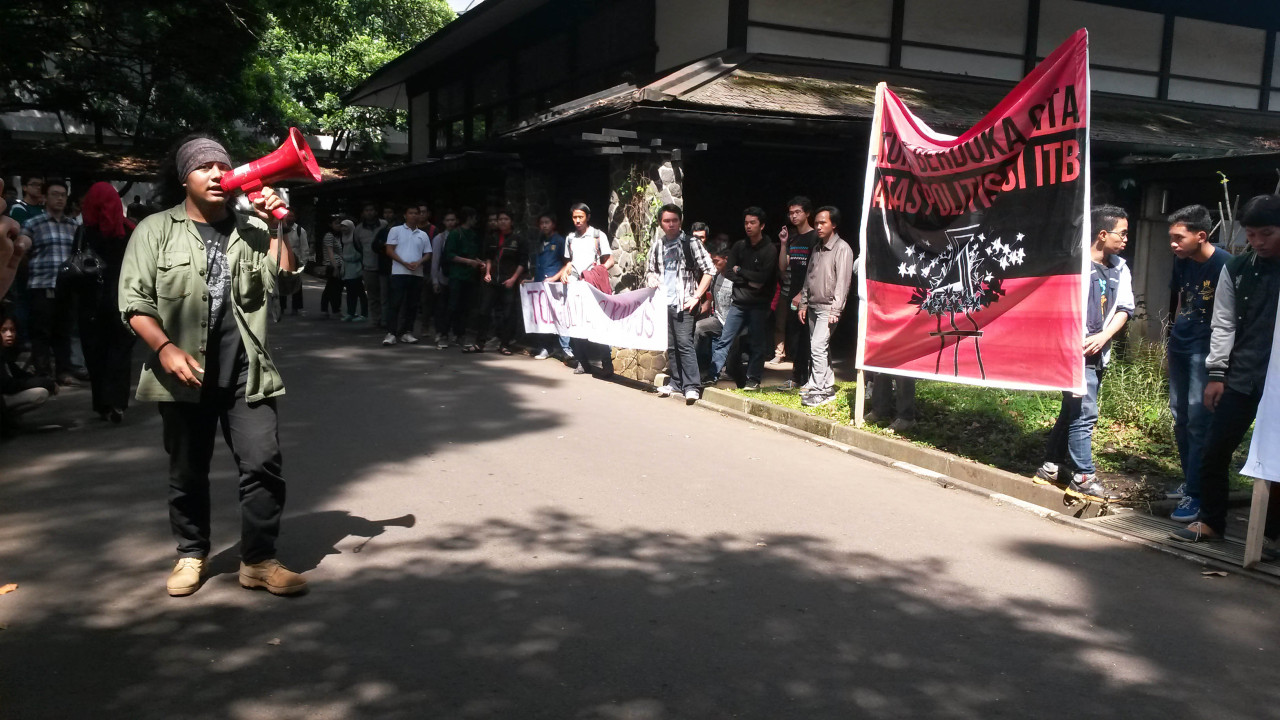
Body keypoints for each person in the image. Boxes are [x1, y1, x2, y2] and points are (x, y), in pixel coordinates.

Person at [118, 134, 307, 597]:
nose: (218, 174)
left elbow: (283, 278)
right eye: (205, 167)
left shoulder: (252, 228)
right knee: (187, 469)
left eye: (224, 166)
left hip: (246, 371)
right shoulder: (154, 230)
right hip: (183, 375)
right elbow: (133, 301)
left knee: (263, 463)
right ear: (186, 177)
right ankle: (190, 553)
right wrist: (163, 347)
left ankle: (259, 561)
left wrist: (278, 222)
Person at [1172, 194, 1280, 545]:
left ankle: (1271, 534)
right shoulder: (1236, 269)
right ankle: (1212, 521)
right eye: (1251, 235)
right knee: (1215, 449)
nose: (1258, 242)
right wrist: (1217, 374)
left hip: (1277, 377)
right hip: (1243, 375)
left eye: (1267, 233)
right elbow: (1224, 323)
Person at [1034, 204, 1135, 503]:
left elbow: (1125, 309)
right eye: (1123, 233)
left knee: (1072, 410)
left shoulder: (1120, 267)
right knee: (1084, 412)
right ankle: (1083, 477)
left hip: (1098, 351)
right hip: (1072, 353)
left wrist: (1104, 336)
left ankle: (1050, 467)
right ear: (1102, 234)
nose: (1126, 239)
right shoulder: (1074, 264)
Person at [1163, 204, 1230, 523]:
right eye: (1171, 237)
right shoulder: (1181, 261)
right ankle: (1191, 480)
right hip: (1181, 346)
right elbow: (1179, 301)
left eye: (1179, 237)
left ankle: (1198, 493)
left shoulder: (1227, 265)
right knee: (1180, 417)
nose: (1173, 244)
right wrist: (1171, 342)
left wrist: (1223, 366)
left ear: (1201, 235)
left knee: (1199, 422)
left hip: (1207, 353)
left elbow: (1233, 320)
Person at [76, 182, 138, 423]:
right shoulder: (129, 232)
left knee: (95, 353)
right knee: (120, 352)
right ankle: (117, 402)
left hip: (90, 302)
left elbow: (74, 264)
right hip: (122, 299)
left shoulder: (84, 232)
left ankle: (101, 403)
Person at [18, 179, 89, 385]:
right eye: (55, 194)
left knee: (63, 331)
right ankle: (43, 373)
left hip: (66, 288)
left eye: (62, 195)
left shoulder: (72, 226)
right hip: (41, 285)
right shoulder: (33, 224)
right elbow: (22, 253)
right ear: (45, 197)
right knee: (41, 332)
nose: (59, 198)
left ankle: (63, 372)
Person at [647, 204, 715, 403]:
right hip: (664, 303)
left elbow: (710, 270)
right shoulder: (658, 245)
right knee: (672, 345)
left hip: (684, 303)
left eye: (674, 220)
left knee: (685, 343)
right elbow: (651, 270)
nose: (671, 224)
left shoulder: (691, 243)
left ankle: (692, 386)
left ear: (680, 221)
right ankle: (676, 382)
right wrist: (651, 278)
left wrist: (696, 296)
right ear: (661, 223)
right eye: (667, 221)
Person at [707, 207, 778, 390]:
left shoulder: (769, 249)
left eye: (753, 223)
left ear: (762, 226)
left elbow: (763, 278)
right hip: (738, 303)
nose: (748, 226)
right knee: (725, 339)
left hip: (759, 305)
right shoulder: (739, 246)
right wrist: (748, 279)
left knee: (756, 343)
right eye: (746, 222)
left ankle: (753, 379)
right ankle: (712, 374)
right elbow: (730, 272)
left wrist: (742, 271)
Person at [797, 206, 854, 407]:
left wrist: (836, 310)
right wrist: (803, 302)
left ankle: (821, 390)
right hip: (813, 305)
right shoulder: (817, 248)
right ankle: (823, 384)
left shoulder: (842, 249)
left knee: (817, 347)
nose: (818, 226)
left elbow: (843, 283)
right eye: (817, 223)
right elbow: (809, 277)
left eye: (823, 223)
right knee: (821, 347)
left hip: (828, 307)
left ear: (834, 224)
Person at [552, 202, 615, 377]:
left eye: (581, 217)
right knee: (576, 324)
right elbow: (569, 262)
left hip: (593, 286)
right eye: (575, 217)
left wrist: (597, 271)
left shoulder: (597, 235)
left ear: (587, 217)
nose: (578, 220)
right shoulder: (570, 238)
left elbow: (610, 260)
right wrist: (565, 273)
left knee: (598, 324)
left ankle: (606, 362)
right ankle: (583, 362)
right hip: (574, 286)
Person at [774, 196, 818, 388]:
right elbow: (783, 267)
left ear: (807, 213)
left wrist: (803, 293)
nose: (793, 216)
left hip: (809, 295)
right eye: (791, 213)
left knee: (807, 338)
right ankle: (796, 376)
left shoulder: (815, 236)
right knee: (793, 336)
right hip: (791, 293)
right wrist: (783, 244)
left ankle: (807, 377)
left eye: (797, 212)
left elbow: (815, 268)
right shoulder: (792, 237)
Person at [468, 209, 526, 354]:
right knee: (484, 311)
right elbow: (489, 257)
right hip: (492, 279)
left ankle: (505, 344)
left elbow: (522, 262)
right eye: (500, 219)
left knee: (508, 314)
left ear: (511, 221)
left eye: (506, 219)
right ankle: (479, 343)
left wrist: (513, 279)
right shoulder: (492, 237)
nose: (502, 222)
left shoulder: (518, 239)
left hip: (509, 281)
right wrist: (487, 273)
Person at [382, 206, 431, 345]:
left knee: (412, 304)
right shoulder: (395, 230)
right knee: (395, 303)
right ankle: (391, 332)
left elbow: (428, 253)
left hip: (417, 273)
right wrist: (403, 262)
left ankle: (406, 332)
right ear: (405, 215)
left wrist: (419, 262)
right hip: (399, 272)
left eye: (417, 213)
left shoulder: (423, 234)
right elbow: (389, 250)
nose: (414, 216)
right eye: (411, 213)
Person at [1, 308, 55, 433]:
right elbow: (7, 385)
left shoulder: (6, 352)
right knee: (40, 393)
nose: (9, 334)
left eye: (12, 330)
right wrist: (43, 383)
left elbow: (17, 373)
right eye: (4, 330)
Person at [528, 211, 572, 361]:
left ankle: (566, 349)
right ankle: (545, 347)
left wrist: (554, 278)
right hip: (540, 284)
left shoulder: (560, 241)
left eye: (547, 222)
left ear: (553, 224)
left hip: (555, 286)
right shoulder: (540, 241)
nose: (544, 225)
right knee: (542, 317)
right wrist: (532, 279)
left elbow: (567, 264)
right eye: (542, 223)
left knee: (559, 316)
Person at [443, 207, 484, 349]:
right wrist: (468, 262)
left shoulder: (472, 234)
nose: (475, 221)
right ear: (469, 218)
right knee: (453, 305)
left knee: (465, 307)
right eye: (473, 218)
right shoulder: (455, 234)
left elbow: (473, 254)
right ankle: (444, 334)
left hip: (469, 276)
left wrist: (479, 262)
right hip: (457, 275)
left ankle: (459, 334)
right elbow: (449, 255)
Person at [695, 239, 735, 378]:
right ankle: (695, 367)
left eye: (716, 261)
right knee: (699, 327)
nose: (713, 264)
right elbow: (711, 297)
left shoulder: (735, 278)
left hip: (734, 322)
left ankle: (724, 371)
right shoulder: (715, 275)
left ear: (726, 259)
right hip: (718, 318)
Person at [354, 203, 387, 327]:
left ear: (376, 212)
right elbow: (358, 246)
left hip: (384, 266)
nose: (369, 212)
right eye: (366, 210)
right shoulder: (358, 229)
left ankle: (385, 320)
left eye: (371, 210)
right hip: (368, 266)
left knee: (385, 296)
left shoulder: (384, 225)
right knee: (373, 296)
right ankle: (375, 319)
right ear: (363, 213)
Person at [430, 210, 457, 347]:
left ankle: (455, 334)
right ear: (444, 222)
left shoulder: (459, 236)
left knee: (454, 307)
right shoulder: (439, 238)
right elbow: (435, 261)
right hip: (443, 277)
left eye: (453, 220)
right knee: (441, 307)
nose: (451, 223)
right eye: (448, 220)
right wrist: (435, 280)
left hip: (456, 277)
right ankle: (441, 332)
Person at [277, 217, 308, 317]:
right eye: (287, 216)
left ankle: (296, 307)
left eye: (291, 216)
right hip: (282, 259)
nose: (289, 218)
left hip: (296, 261)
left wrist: (303, 262)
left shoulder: (300, 230)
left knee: (297, 285)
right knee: (281, 284)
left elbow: (304, 247)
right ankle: (281, 307)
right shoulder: (279, 228)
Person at [339, 219, 367, 321]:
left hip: (356, 267)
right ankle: (351, 312)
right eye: (342, 226)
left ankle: (364, 314)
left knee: (360, 292)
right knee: (350, 292)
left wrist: (350, 258)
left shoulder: (355, 239)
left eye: (345, 226)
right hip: (347, 268)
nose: (343, 228)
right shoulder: (344, 238)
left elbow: (360, 253)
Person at [320, 215, 346, 320]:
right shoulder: (329, 236)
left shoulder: (339, 236)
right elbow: (330, 252)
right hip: (332, 264)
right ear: (330, 224)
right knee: (333, 288)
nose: (339, 225)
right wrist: (335, 267)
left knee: (333, 288)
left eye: (340, 223)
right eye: (336, 223)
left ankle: (327, 309)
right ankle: (333, 309)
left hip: (339, 263)